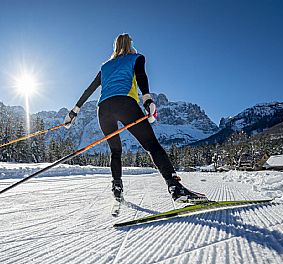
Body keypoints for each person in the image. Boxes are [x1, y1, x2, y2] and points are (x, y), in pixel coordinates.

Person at [64, 33, 207, 203]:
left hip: (103, 109)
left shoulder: (105, 66)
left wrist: (74, 111)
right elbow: (141, 77)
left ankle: (117, 187)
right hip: (125, 104)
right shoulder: (136, 58)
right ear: (130, 44)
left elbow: (89, 89)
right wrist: (147, 99)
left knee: (115, 151)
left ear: (115, 46)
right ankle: (175, 187)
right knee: (152, 145)